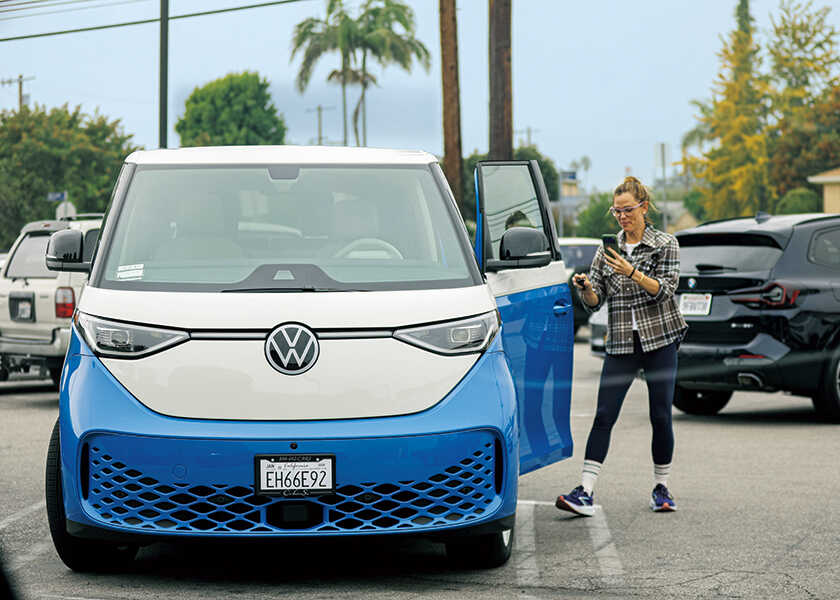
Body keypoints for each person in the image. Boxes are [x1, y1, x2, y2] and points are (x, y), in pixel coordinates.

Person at [555, 176, 687, 516]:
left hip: (660, 340)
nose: (622, 217)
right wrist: (586, 288)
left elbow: (665, 290)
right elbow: (595, 301)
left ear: (644, 207)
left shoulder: (665, 244)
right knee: (604, 415)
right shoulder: (607, 249)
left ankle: (661, 487)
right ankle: (585, 490)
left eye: (627, 210)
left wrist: (632, 272)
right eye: (616, 211)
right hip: (621, 343)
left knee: (661, 415)